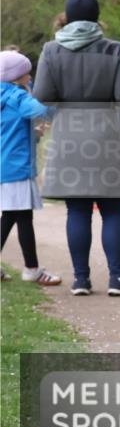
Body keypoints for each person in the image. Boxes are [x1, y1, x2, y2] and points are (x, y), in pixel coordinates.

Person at [33, 0, 120, 297]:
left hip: (69, 132)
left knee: (78, 210)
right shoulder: (113, 50)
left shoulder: (51, 50)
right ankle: (117, 278)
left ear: (66, 17)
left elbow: (42, 95)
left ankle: (81, 280)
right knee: (112, 209)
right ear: (98, 16)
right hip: (105, 132)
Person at [0, 51, 61, 286]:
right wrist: (51, 94)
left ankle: (31, 267)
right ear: (18, 75)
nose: (30, 74)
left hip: (6, 164)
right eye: (27, 71)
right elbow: (44, 111)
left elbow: (10, 129)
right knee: (20, 217)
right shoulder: (17, 96)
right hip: (17, 167)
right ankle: (32, 269)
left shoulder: (4, 95)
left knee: (15, 216)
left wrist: (32, 135)